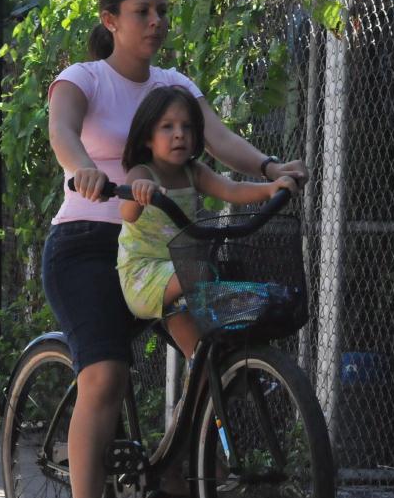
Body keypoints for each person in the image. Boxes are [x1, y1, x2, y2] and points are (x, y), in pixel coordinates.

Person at [43, 0, 306, 498]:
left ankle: (176, 472)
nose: (156, 22)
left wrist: (270, 168)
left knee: (218, 357)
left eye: (162, 10)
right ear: (110, 20)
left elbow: (221, 144)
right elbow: (61, 130)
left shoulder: (174, 88)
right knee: (104, 374)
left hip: (169, 245)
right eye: (142, 11)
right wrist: (83, 167)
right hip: (89, 242)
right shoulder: (84, 81)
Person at [116, 84, 297, 358]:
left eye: (187, 127)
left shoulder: (193, 172)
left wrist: (269, 188)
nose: (179, 134)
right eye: (167, 127)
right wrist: (138, 193)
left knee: (220, 284)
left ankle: (208, 374)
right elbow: (126, 214)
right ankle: (199, 365)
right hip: (143, 274)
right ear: (147, 138)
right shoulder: (143, 173)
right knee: (202, 273)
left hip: (182, 269)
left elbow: (231, 190)